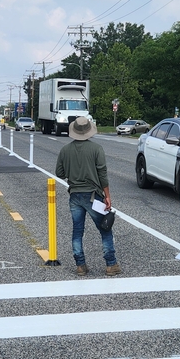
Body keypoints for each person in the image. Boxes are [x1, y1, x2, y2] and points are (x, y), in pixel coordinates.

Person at [54, 116, 119, 277]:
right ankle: (111, 264)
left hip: (75, 194)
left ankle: (80, 265)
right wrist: (107, 196)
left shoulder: (65, 150)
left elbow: (59, 173)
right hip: (93, 195)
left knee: (77, 231)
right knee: (104, 229)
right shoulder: (96, 149)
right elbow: (102, 174)